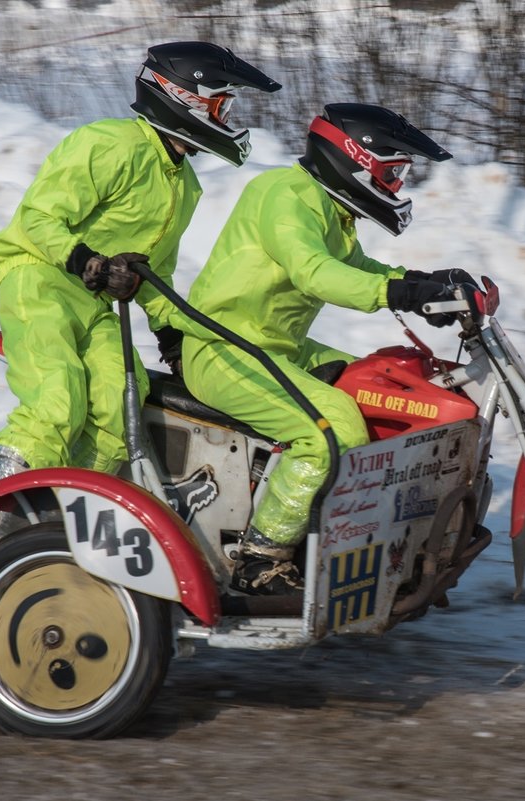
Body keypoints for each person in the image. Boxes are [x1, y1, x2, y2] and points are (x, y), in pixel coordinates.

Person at [0, 42, 281, 565]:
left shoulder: (182, 184)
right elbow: (37, 219)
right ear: (181, 98)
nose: (227, 118)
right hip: (40, 279)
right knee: (58, 400)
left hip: (96, 304)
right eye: (220, 106)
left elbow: (154, 272)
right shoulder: (110, 144)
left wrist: (173, 338)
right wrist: (87, 262)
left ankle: (60, 519)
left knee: (124, 400)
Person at [181, 102, 469, 595]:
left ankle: (355, 538)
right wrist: (397, 294)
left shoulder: (330, 208)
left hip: (276, 347)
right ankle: (260, 557)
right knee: (332, 428)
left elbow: (357, 267)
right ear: (356, 158)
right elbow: (315, 272)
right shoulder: (285, 196)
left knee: (376, 388)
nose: (395, 186)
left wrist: (423, 281)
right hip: (223, 349)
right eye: (392, 173)